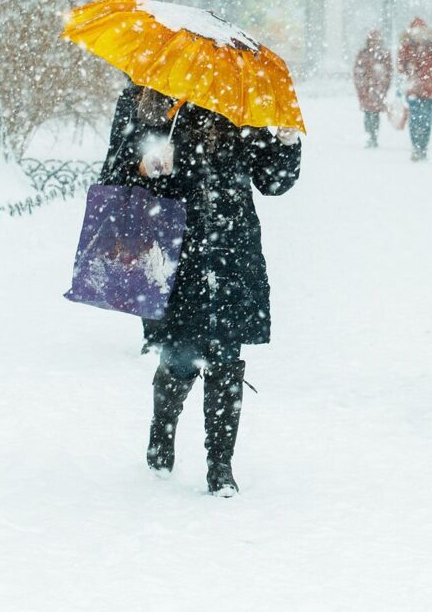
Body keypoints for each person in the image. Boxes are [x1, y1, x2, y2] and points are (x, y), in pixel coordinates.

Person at [99, 84, 301, 497]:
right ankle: (162, 434)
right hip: (175, 249)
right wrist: (146, 167)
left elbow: (273, 181)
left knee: (226, 356)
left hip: (232, 247)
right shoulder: (150, 103)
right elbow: (113, 176)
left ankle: (220, 464)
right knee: (179, 354)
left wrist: (285, 141)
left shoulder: (240, 105)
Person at [397, 17, 432, 162]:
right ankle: (417, 147)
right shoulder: (407, 47)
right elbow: (400, 66)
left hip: (428, 90)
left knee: (424, 121)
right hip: (415, 90)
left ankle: (422, 147)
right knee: (415, 121)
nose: (419, 35)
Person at [353, 29, 392, 148]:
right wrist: (361, 84)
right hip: (367, 88)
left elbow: (389, 72)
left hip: (377, 89)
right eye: (372, 41)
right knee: (367, 114)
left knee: (375, 114)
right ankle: (370, 136)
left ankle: (373, 137)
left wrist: (384, 85)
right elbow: (357, 71)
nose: (374, 44)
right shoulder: (364, 54)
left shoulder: (383, 55)